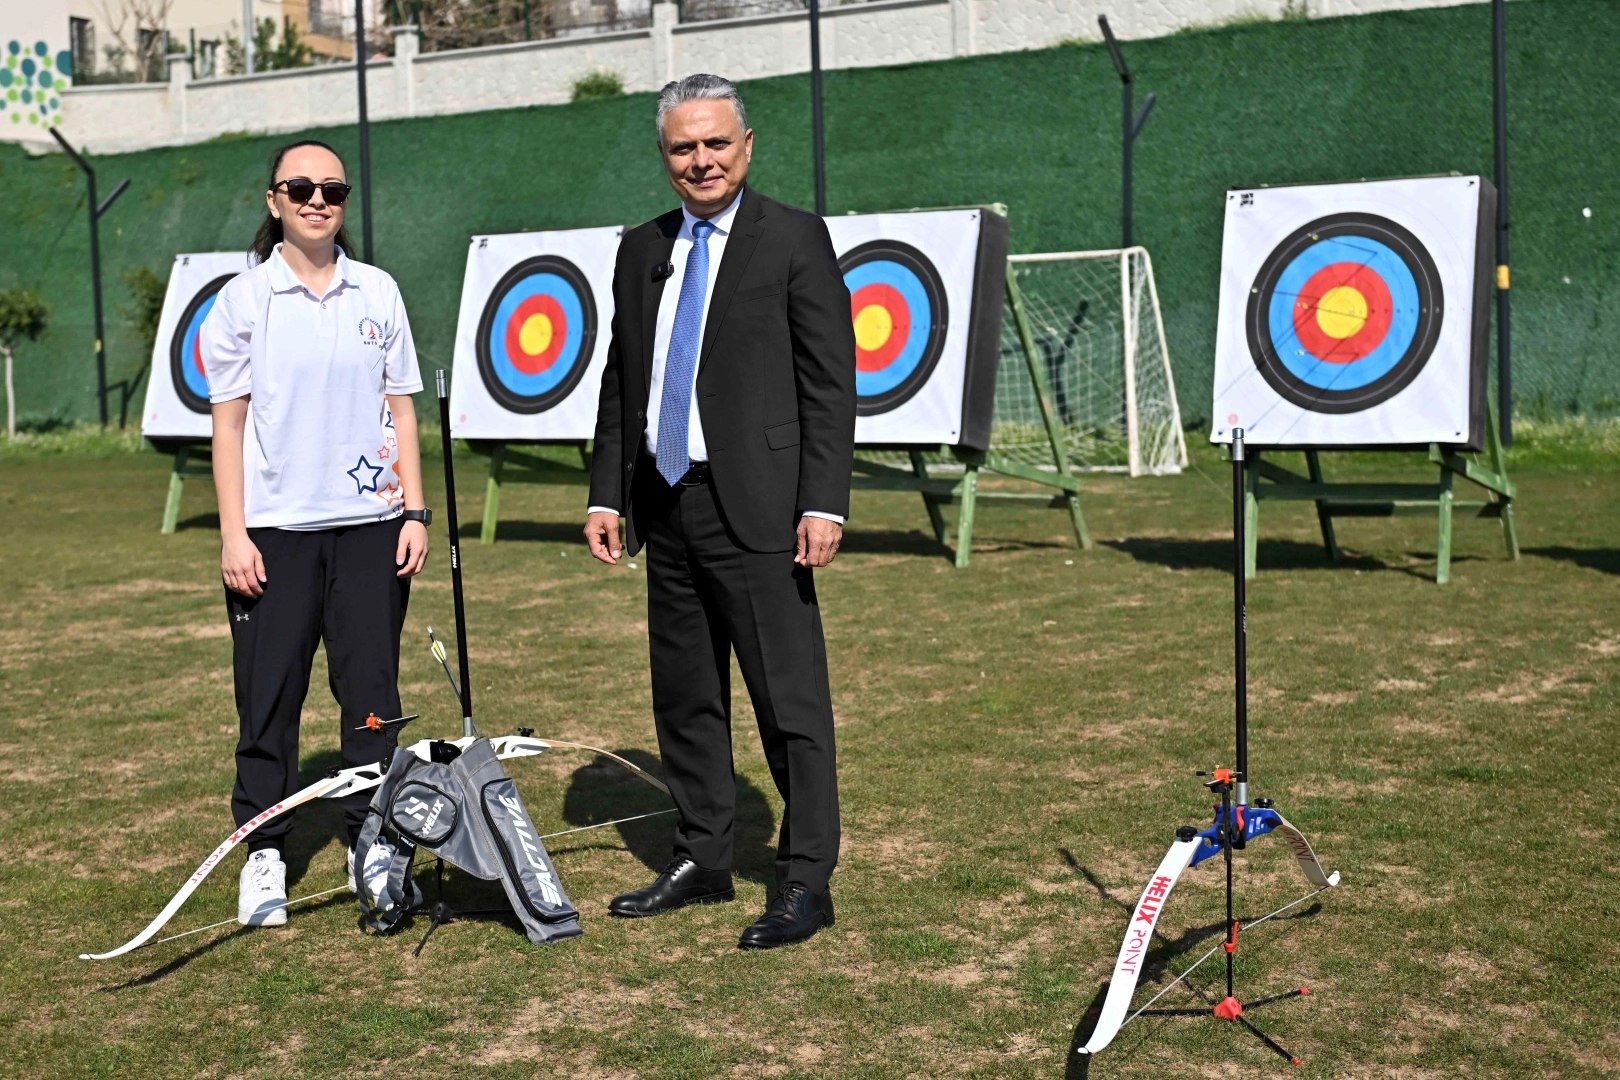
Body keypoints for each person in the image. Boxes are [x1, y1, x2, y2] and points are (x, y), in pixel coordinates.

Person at [585, 74, 857, 949]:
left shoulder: (795, 238)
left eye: (715, 143)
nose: (700, 159)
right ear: (663, 156)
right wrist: (604, 492)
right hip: (666, 506)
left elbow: (829, 382)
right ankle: (703, 855)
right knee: (687, 698)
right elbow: (622, 379)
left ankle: (805, 878)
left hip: (767, 513)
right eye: (681, 146)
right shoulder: (639, 248)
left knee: (790, 705)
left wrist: (823, 501)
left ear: (746, 146)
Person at [200, 140, 433, 927]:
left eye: (331, 187)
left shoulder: (379, 291)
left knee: (370, 700)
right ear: (274, 201)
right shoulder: (244, 300)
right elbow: (226, 427)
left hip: (371, 532)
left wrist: (415, 511)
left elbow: (401, 406)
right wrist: (234, 534)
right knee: (269, 700)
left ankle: (374, 838)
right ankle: (265, 849)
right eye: (299, 187)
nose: (316, 198)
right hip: (275, 535)